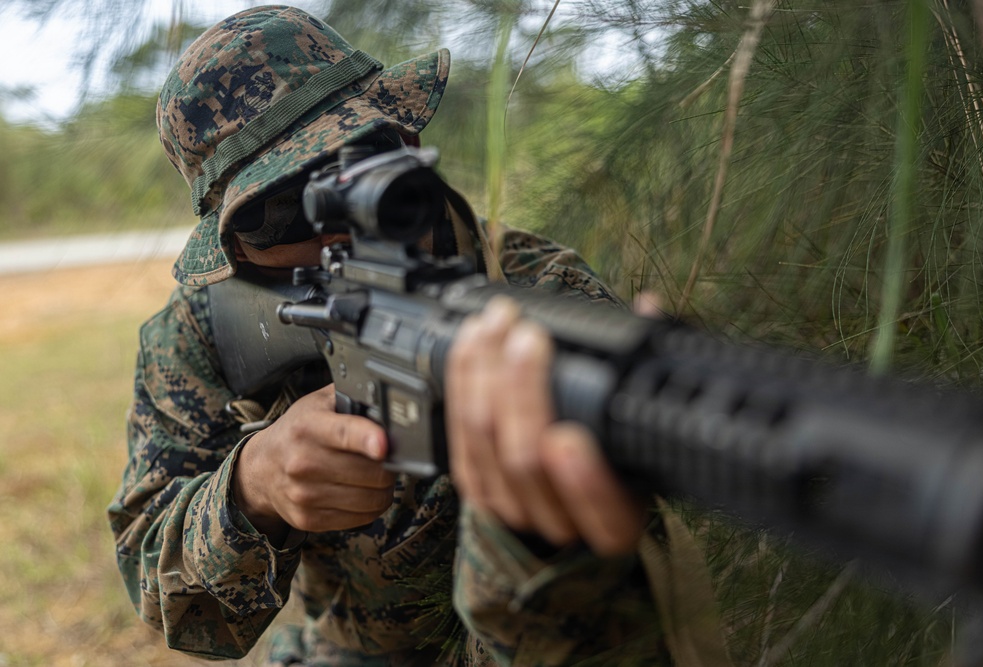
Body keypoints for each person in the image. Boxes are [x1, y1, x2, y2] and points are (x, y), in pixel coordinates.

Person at [108, 6, 692, 665]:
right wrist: (254, 486)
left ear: (408, 142)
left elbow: (650, 590)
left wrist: (546, 539)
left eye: (363, 160)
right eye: (279, 210)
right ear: (232, 245)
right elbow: (165, 588)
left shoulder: (534, 293)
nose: (335, 231)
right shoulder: (201, 331)